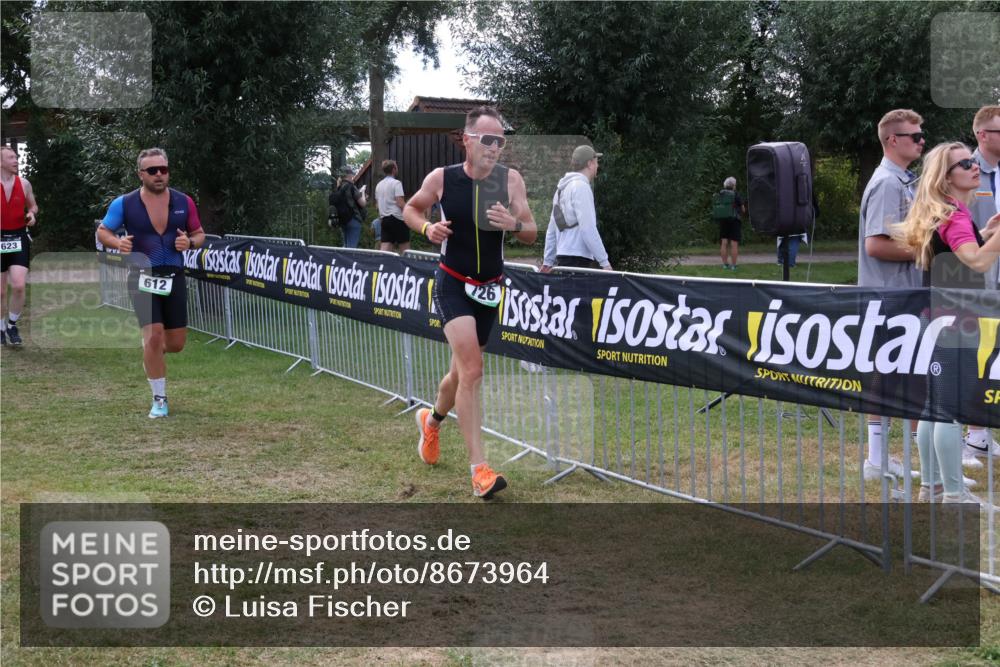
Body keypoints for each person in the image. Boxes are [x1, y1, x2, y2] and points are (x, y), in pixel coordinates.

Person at [402, 105, 537, 499]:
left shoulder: (511, 181)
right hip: (452, 284)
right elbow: (411, 208)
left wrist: (513, 224)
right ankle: (480, 470)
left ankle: (431, 421)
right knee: (474, 371)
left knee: (460, 375)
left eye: (500, 141)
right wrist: (428, 227)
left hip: (490, 288)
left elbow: (530, 230)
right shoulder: (442, 178)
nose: (495, 147)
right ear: (467, 139)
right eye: (487, 139)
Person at [894, 142, 1000, 505]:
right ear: (946, 177)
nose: (975, 166)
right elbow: (976, 263)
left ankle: (932, 487)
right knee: (951, 408)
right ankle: (953, 493)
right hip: (957, 321)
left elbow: (959, 254)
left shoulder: (947, 213)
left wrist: (983, 234)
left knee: (934, 407)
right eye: (965, 163)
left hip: (938, 317)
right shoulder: (953, 215)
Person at [95, 148, 206, 418]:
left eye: (163, 170)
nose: (159, 175)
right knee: (155, 335)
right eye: (152, 171)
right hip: (142, 275)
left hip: (173, 276)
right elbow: (103, 231)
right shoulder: (124, 203)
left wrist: (189, 243)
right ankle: (159, 399)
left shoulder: (184, 201)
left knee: (176, 343)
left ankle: (151, 354)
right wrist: (117, 242)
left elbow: (199, 233)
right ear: (140, 174)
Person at [857, 109, 926, 482]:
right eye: (914, 136)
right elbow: (876, 246)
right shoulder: (887, 183)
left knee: (912, 375)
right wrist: (927, 251)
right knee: (885, 375)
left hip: (905, 294)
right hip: (889, 296)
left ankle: (921, 459)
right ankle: (876, 459)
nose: (921, 141)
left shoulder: (904, 180)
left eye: (921, 135)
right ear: (892, 141)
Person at [961, 106, 1000, 465]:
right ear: (983, 135)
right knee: (978, 355)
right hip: (976, 280)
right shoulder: (965, 172)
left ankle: (984, 432)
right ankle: (973, 436)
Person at [540, 145, 612, 272]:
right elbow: (588, 228)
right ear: (590, 163)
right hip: (578, 258)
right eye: (596, 162)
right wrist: (604, 263)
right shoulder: (581, 187)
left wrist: (548, 261)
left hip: (563, 257)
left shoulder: (561, 189)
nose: (597, 166)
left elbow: (552, 228)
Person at [0, 145, 38, 347]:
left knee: (18, 285)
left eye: (16, 156)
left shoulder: (24, 184)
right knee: (0, 292)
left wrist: (31, 214)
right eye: (11, 157)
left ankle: (12, 325)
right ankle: (0, 327)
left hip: (18, 237)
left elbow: (33, 205)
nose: (16, 160)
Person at [374, 159, 409, 254]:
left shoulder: (378, 185)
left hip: (384, 219)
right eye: (396, 167)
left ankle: (382, 266)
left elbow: (377, 206)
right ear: (394, 169)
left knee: (385, 247)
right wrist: (410, 212)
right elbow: (400, 203)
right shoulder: (396, 183)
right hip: (397, 218)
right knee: (405, 248)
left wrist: (381, 217)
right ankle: (406, 267)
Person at [713, 177, 745, 270]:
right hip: (734, 221)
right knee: (734, 243)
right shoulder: (736, 194)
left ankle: (725, 265)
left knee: (724, 243)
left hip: (723, 220)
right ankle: (734, 266)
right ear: (734, 185)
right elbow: (743, 209)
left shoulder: (721, 194)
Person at [329, 167, 366, 249]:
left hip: (342, 220)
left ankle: (342, 261)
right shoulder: (351, 186)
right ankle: (348, 261)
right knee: (352, 248)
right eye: (352, 174)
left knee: (345, 246)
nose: (353, 176)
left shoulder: (339, 188)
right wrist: (363, 192)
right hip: (353, 219)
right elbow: (362, 204)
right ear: (348, 175)